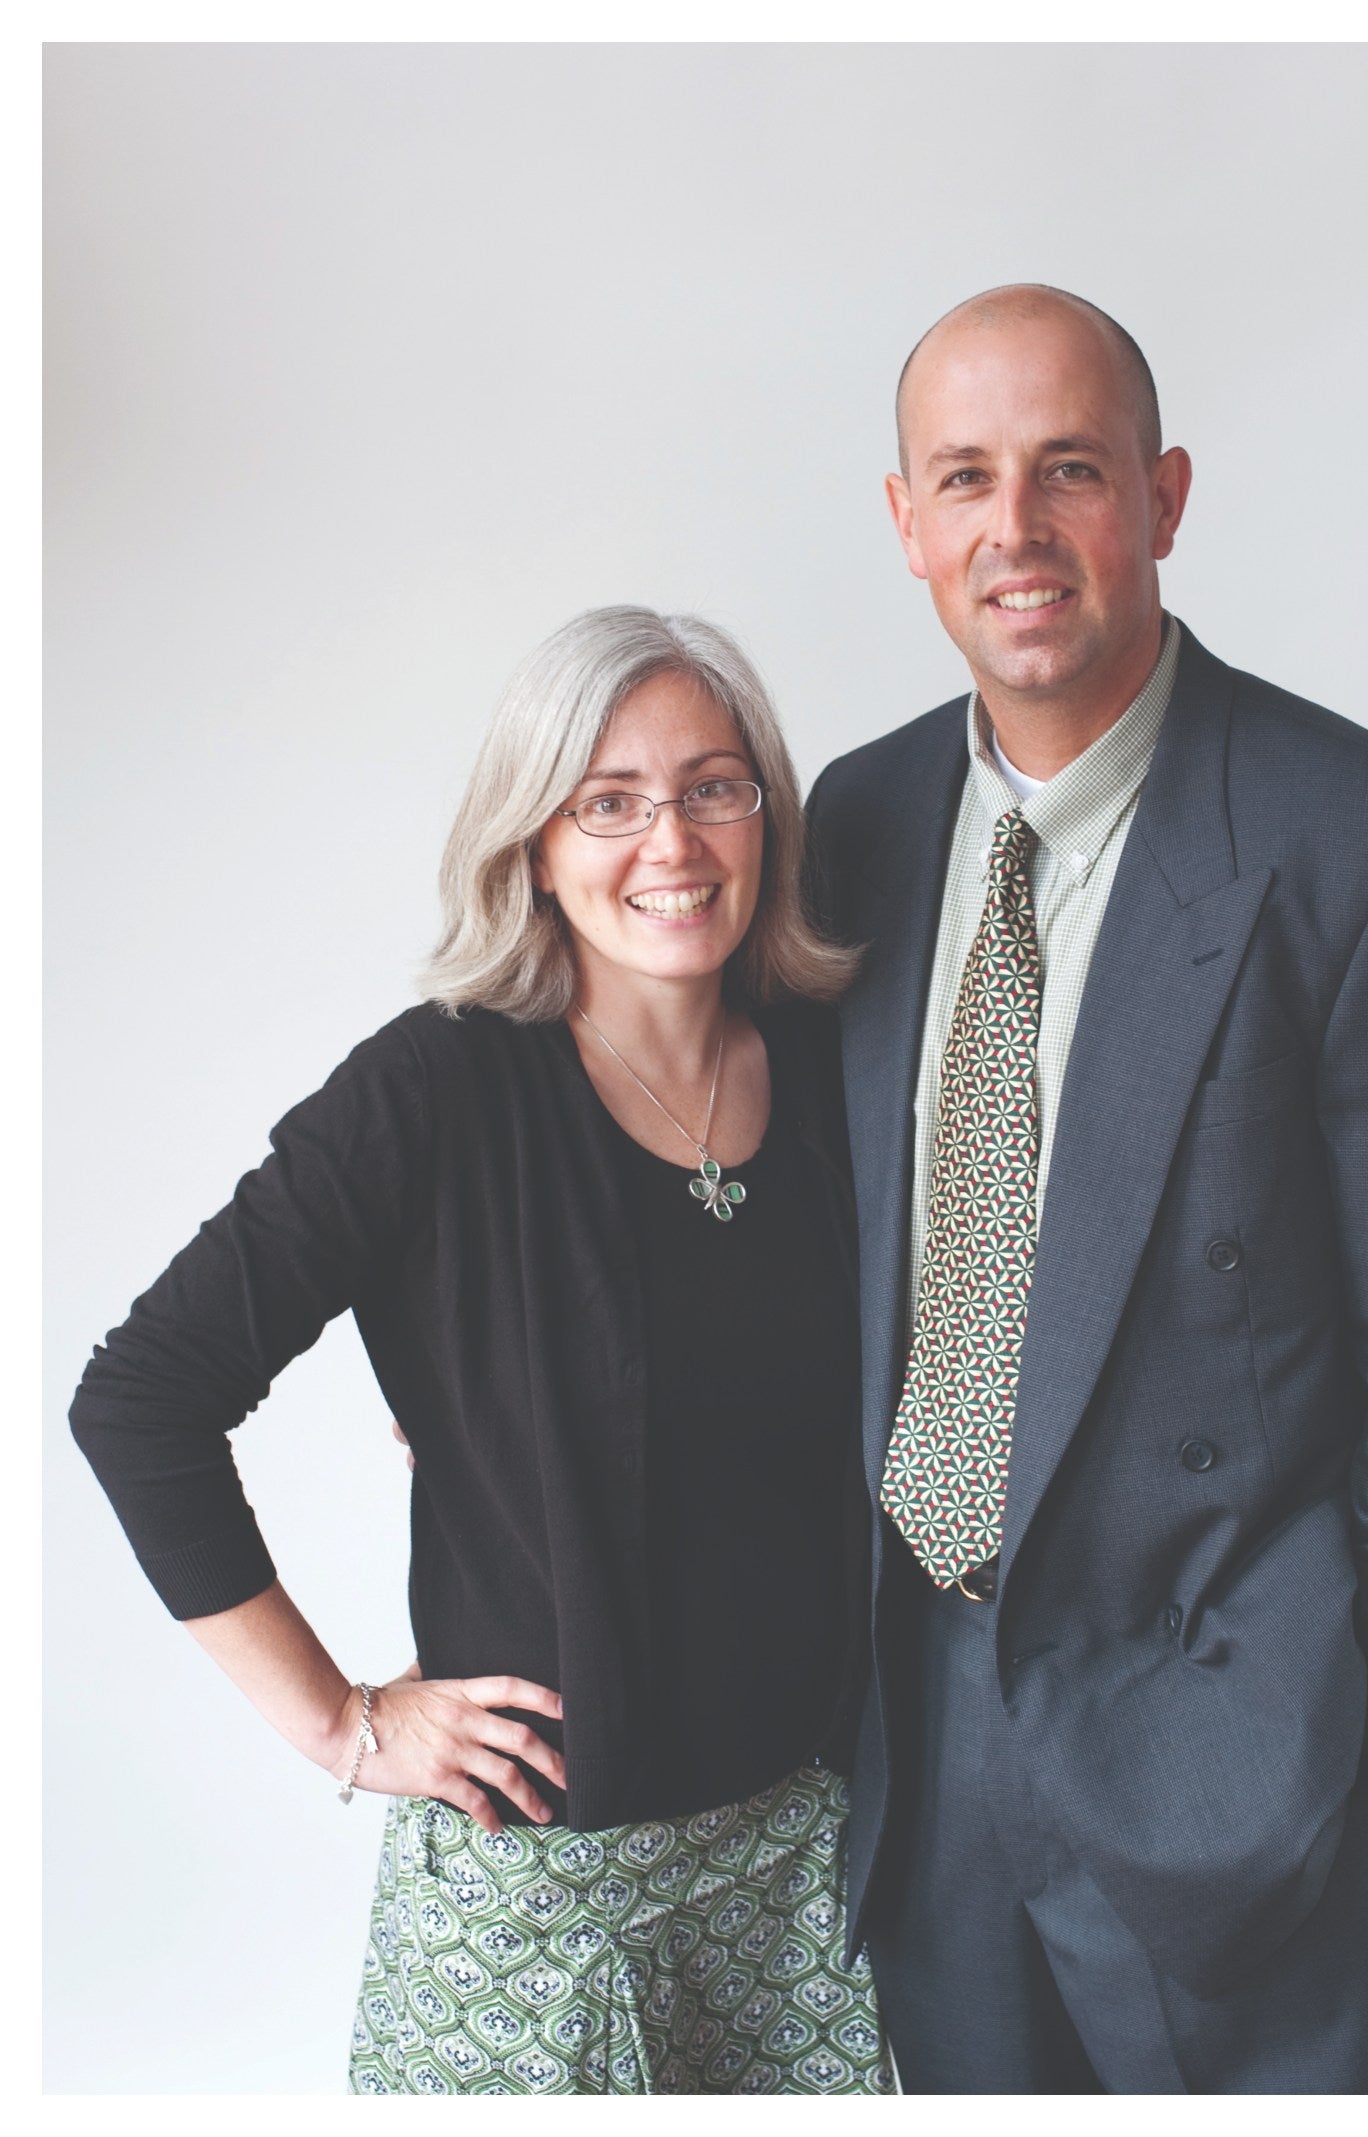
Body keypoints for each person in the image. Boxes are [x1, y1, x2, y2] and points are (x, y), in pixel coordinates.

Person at [806, 284, 1368, 2094]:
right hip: (914, 1734)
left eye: (1068, 469)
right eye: (967, 478)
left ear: (1164, 494)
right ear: (903, 522)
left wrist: (1358, 1729)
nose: (1018, 529)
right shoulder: (854, 821)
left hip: (1226, 1741)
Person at [69, 608, 889, 2093]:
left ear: (766, 810)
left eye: (716, 785)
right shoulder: (435, 1091)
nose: (674, 842)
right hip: (542, 1900)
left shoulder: (837, 1065)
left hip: (803, 1874)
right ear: (534, 841)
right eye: (611, 799)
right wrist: (342, 1721)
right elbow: (141, 1399)